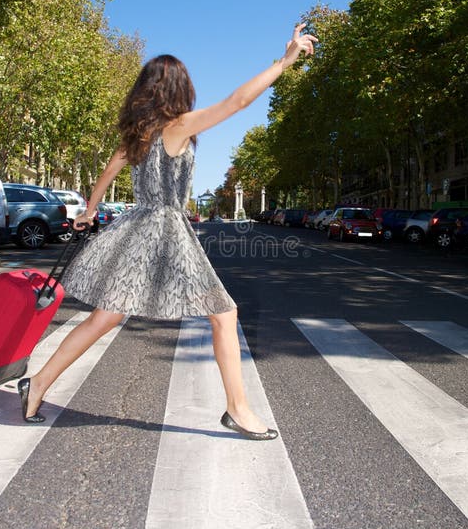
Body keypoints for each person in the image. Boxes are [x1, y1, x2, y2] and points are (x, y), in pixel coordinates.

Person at [18, 23, 318, 439]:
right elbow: (238, 100)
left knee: (104, 317)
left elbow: (107, 173)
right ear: (179, 89)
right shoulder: (178, 127)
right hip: (165, 232)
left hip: (135, 229)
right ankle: (238, 409)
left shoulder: (137, 135)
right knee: (224, 314)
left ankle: (37, 385)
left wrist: (89, 212)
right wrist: (285, 61)